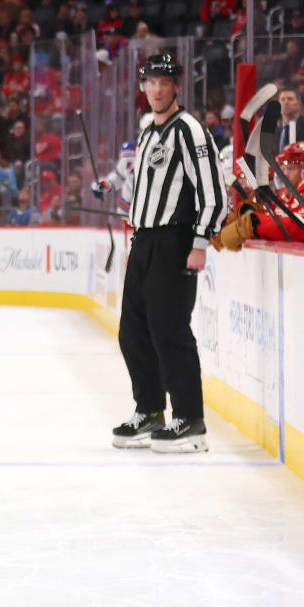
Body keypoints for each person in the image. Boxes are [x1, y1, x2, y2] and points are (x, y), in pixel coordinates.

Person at [111, 52, 225, 454]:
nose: (157, 90)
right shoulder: (147, 132)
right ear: (143, 87)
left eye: (164, 82)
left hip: (175, 241)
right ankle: (149, 410)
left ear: (177, 85)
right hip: (144, 242)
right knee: (132, 331)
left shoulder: (190, 130)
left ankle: (190, 419)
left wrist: (200, 243)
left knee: (170, 330)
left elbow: (214, 193)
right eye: (150, 83)